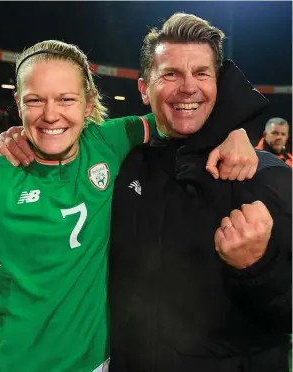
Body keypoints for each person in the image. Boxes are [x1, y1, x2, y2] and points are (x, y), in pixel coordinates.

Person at [0, 40, 257, 372]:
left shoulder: (109, 141)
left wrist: (234, 128)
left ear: (88, 102)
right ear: (18, 103)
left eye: (66, 99)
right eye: (35, 100)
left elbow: (182, 115)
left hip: (100, 361)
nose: (50, 114)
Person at [106, 13, 291, 372]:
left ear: (218, 85)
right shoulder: (122, 168)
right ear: (144, 89)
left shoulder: (268, 176)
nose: (188, 87)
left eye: (202, 73)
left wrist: (256, 266)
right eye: (170, 74)